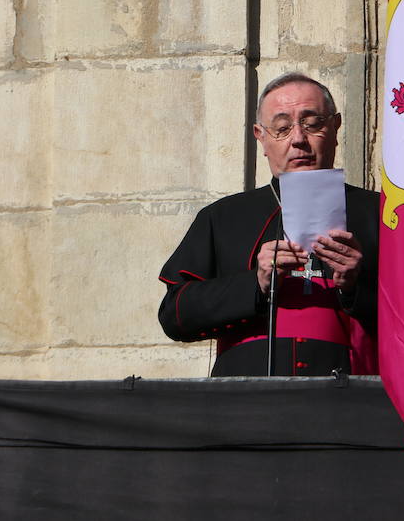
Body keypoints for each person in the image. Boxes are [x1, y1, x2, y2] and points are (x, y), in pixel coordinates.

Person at [158, 73, 379, 376]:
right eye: (282, 128)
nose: (298, 139)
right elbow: (175, 316)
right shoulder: (223, 217)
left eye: (312, 124)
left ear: (335, 127)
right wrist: (256, 283)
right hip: (247, 407)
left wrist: (357, 286)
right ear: (260, 137)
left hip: (351, 402)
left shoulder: (382, 214)